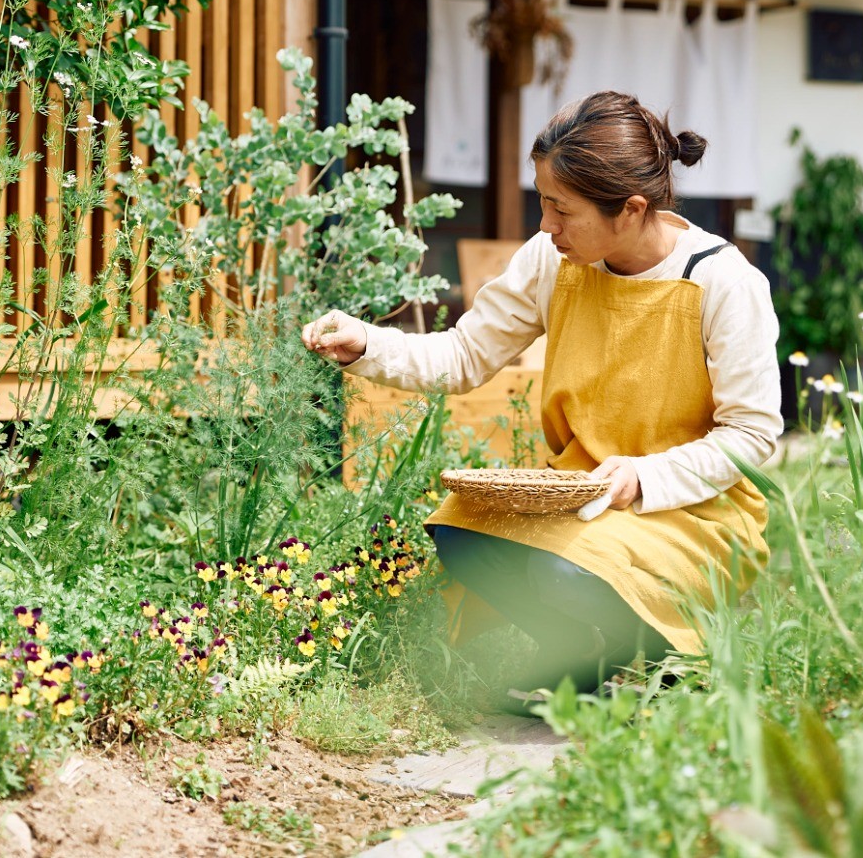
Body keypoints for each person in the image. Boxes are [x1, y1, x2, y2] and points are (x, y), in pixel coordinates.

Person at [301, 91, 782, 700]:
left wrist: (642, 477)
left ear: (631, 210)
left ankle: (659, 665)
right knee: (462, 533)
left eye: (562, 210)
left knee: (563, 571)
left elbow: (753, 435)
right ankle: (589, 662)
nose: (545, 226)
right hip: (583, 498)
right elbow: (465, 354)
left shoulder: (721, 281)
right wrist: (367, 343)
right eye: (542, 204)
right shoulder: (552, 261)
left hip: (694, 512)